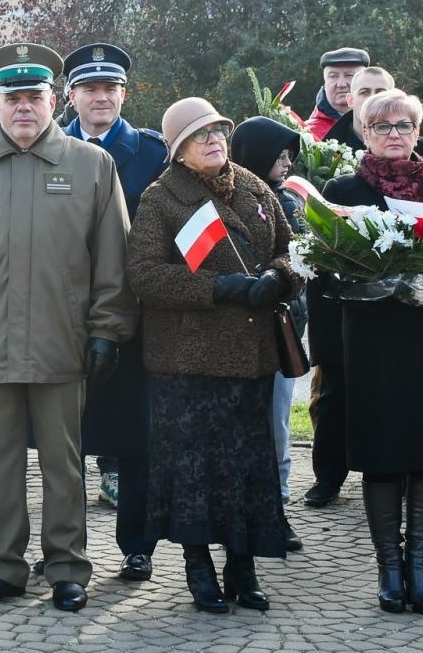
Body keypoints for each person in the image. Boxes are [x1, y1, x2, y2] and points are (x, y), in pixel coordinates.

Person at [0, 42, 136, 613]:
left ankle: (66, 567)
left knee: (64, 463)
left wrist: (107, 330)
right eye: (13, 99)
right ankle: (4, 567)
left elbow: (114, 259)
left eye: (35, 98)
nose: (24, 109)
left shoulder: (91, 166)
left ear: (54, 100)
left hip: (64, 343)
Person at [306, 89, 423, 616]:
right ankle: (389, 570)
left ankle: (420, 568)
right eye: (382, 126)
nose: (394, 134)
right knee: (384, 458)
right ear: (363, 133)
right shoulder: (344, 189)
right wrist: (381, 280)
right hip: (375, 345)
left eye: (404, 125)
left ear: (419, 131)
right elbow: (325, 271)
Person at [127, 99, 298, 614]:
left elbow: (289, 247)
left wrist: (279, 277)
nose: (214, 140)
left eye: (219, 130)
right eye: (200, 136)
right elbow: (145, 275)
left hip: (251, 355)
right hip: (188, 360)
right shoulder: (162, 198)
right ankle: (199, 567)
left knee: (247, 466)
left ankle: (242, 568)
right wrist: (217, 286)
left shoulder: (252, 185)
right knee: (195, 470)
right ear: (178, 149)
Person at [62, 42, 168, 581]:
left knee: (135, 437)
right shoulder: (50, 148)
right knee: (64, 440)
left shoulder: (153, 154)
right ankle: (65, 548)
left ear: (124, 94)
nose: (101, 98)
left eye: (111, 88)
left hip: (135, 316)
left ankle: (137, 544)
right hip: (63, 315)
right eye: (90, 88)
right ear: (72, 95)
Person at [228, 115, 307, 552]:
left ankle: (276, 505)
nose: (287, 164)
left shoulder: (290, 204)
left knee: (276, 422)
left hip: (281, 329)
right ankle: (239, 506)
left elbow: (302, 262)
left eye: (290, 156)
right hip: (236, 331)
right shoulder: (225, 198)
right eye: (279, 156)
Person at [302, 47, 370, 140]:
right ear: (325, 84)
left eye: (349, 75)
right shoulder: (307, 134)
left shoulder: (387, 127)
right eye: (333, 76)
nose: (341, 84)